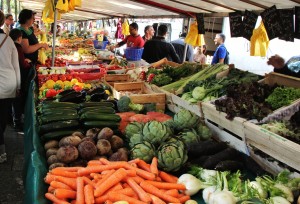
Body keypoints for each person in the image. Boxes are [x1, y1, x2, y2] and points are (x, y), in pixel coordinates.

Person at [0, 10, 21, 163]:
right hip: (8, 83)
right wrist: (18, 85)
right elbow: (16, 66)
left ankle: (1, 148)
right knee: (2, 117)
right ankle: (1, 148)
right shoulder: (8, 41)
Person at [9, 29, 32, 130]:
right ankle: (17, 122)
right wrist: (28, 62)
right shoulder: (17, 47)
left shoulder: (8, 45)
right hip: (14, 76)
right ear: (19, 37)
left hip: (7, 77)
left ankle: (11, 119)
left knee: (10, 100)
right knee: (17, 100)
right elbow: (21, 64)